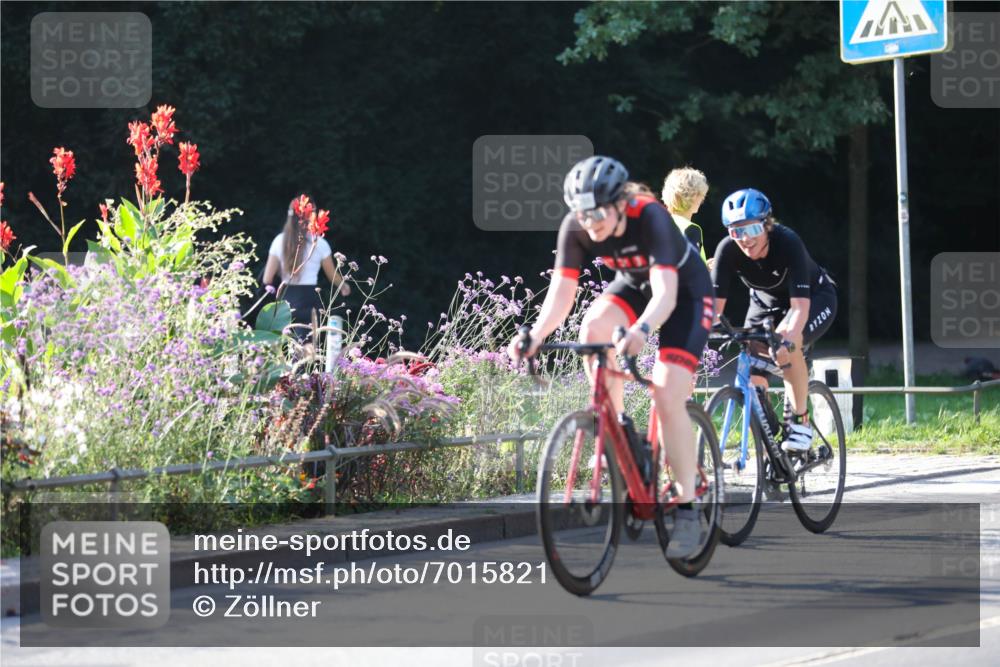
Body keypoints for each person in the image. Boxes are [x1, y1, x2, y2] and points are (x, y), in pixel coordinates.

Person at [507, 155, 715, 558]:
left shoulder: (650, 217)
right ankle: (618, 428)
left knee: (667, 393)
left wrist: (641, 331)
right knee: (592, 330)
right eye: (582, 214)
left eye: (598, 213)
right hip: (635, 285)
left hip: (684, 292)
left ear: (620, 204)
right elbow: (561, 295)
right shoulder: (577, 226)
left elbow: (666, 294)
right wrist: (535, 334)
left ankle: (687, 509)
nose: (590, 223)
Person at [710, 188, 837, 452]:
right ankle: (773, 439)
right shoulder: (727, 250)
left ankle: (801, 424)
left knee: (788, 347)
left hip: (812, 298)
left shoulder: (788, 242)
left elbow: (800, 308)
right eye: (736, 232)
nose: (744, 240)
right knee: (753, 372)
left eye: (752, 230)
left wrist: (787, 340)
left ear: (766, 225)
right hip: (765, 303)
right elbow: (712, 310)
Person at [262, 196, 350, 331]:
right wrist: (344, 286)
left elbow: (267, 278)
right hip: (309, 299)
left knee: (282, 347)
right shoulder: (320, 243)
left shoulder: (279, 241)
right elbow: (332, 276)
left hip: (285, 298)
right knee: (308, 347)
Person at [662, 167, 709, 263]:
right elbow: (692, 270)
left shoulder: (660, 223)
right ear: (693, 196)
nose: (702, 200)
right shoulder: (691, 229)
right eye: (701, 195)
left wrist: (705, 266)